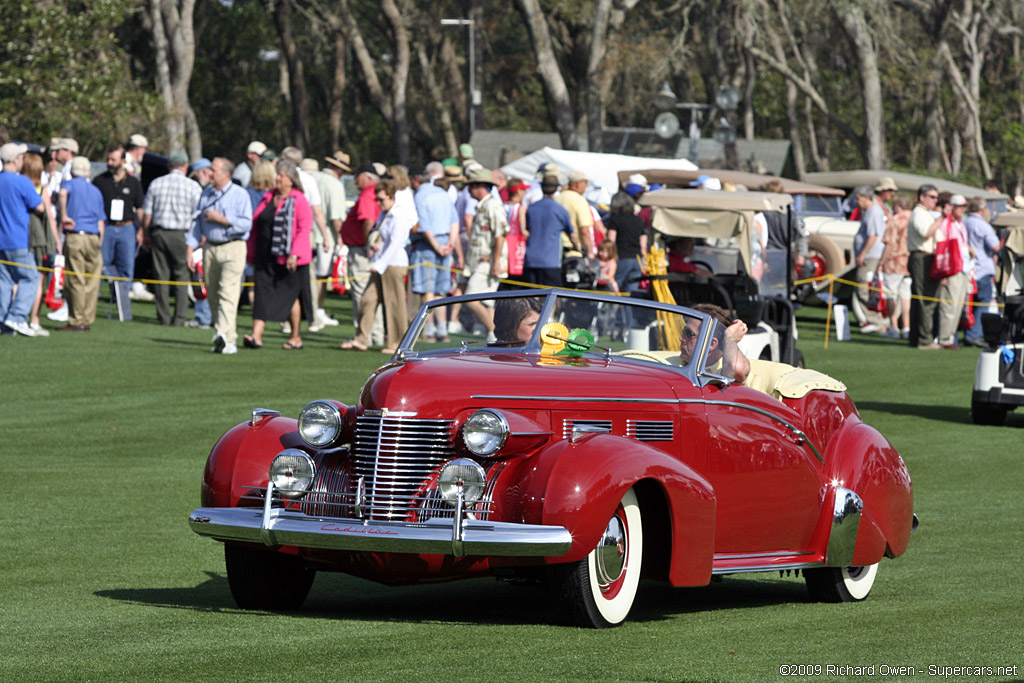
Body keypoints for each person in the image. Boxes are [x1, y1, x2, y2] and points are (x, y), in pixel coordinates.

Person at [185, 158, 252, 355]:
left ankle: (224, 336)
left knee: (228, 293)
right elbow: (196, 224)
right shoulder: (205, 194)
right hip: (210, 248)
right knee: (212, 294)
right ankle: (224, 335)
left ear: (226, 173)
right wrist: (190, 249)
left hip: (233, 247)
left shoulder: (240, 195)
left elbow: (246, 224)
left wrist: (221, 220)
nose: (209, 174)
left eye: (213, 170)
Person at [245, 161, 313, 350]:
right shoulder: (268, 197)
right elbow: (255, 226)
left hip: (288, 258)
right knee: (261, 294)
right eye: (278, 175)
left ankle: (295, 337)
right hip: (264, 255)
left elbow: (303, 228)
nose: (278, 178)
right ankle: (256, 336)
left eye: (282, 175)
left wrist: (294, 254)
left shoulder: (299, 199)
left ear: (291, 180)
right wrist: (249, 253)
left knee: (290, 296)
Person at [340, 179, 413, 352]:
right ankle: (361, 339)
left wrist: (379, 263)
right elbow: (385, 239)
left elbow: (396, 243)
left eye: (382, 200)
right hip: (382, 263)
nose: (379, 203)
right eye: (377, 200)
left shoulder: (399, 215)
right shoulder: (385, 214)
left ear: (390, 197)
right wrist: (376, 247)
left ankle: (397, 344)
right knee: (368, 300)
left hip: (393, 264)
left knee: (395, 305)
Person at [142, 150, 202, 326]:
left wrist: (145, 234)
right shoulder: (193, 186)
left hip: (160, 232)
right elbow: (197, 214)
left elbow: (147, 213)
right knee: (181, 275)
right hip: (182, 234)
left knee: (161, 275)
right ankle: (180, 317)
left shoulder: (156, 183)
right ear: (185, 167)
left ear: (169, 166)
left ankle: (164, 316)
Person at [93, 145, 144, 321]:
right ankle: (92, 302)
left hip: (127, 228)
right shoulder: (100, 181)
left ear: (123, 161)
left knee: (126, 267)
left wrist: (142, 230)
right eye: (108, 159)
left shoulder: (133, 182)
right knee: (100, 264)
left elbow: (139, 208)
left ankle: (122, 305)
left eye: (113, 159)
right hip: (106, 227)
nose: (109, 163)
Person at [0, 143, 45, 337]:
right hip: (17, 240)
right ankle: (17, 317)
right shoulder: (22, 182)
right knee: (31, 277)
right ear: (16, 160)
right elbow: (40, 207)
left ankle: (3, 321)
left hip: (1, 241)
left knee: (4, 281)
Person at [58, 156, 106, 332]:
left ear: (72, 172)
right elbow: (101, 221)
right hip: (93, 236)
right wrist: (99, 241)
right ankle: (87, 319)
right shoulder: (95, 190)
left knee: (76, 279)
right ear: (89, 172)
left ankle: (77, 320)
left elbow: (62, 193)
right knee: (92, 281)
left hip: (76, 235)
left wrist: (63, 216)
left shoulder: (69, 185)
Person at [410, 164, 457, 341]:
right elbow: (454, 221)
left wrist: (438, 246)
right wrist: (450, 243)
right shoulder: (442, 193)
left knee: (428, 290)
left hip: (430, 244)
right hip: (445, 240)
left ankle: (429, 330)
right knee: (441, 290)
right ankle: (442, 330)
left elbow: (424, 225)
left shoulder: (420, 196)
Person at [461, 167, 509, 339]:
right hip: (480, 261)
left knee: (470, 298)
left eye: (471, 185)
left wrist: (496, 261)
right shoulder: (482, 206)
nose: (468, 190)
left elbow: (500, 235)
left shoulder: (492, 205)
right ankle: (497, 335)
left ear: (480, 186)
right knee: (488, 303)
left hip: (488, 262)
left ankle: (494, 332)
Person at [339, 161, 383, 342]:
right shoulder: (376, 192)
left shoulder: (367, 194)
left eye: (358, 177)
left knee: (361, 293)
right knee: (372, 294)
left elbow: (368, 221)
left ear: (367, 177)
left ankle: (363, 335)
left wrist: (367, 245)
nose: (355, 181)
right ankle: (375, 334)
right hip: (368, 249)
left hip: (361, 250)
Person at [20, 152, 60, 335]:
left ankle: (16, 317)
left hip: (19, 239)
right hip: (36, 241)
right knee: (37, 279)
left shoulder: (16, 186)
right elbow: (49, 217)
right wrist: (57, 242)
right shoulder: (39, 189)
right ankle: (32, 319)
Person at [907, 184, 944, 348]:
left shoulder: (925, 213)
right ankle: (924, 340)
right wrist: (941, 219)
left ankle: (916, 338)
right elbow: (926, 233)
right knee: (925, 300)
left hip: (926, 257)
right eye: (932, 197)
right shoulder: (919, 213)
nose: (935, 201)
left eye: (937, 197)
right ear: (922, 197)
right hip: (921, 258)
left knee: (920, 300)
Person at [523, 174, 576, 287]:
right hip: (550, 262)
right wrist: (578, 247)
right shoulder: (560, 210)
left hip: (530, 260)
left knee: (531, 297)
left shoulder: (531, 208)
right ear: (556, 188)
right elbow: (572, 235)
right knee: (553, 296)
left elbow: (526, 230)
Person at [935, 194, 973, 349]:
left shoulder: (960, 223)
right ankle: (945, 339)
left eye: (964, 206)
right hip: (951, 269)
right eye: (960, 206)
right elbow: (942, 246)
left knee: (957, 306)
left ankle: (950, 337)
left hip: (963, 267)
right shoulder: (946, 223)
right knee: (949, 306)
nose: (963, 209)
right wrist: (943, 273)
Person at [677, 303, 749, 384]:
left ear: (711, 344)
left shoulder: (721, 375)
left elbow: (736, 368)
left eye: (689, 333)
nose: (681, 338)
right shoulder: (667, 363)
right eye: (684, 331)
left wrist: (730, 337)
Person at [963, 196, 1000, 347]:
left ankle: (968, 332)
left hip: (967, 269)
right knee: (982, 302)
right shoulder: (983, 225)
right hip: (982, 268)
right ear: (982, 209)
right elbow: (996, 246)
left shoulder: (963, 222)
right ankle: (974, 334)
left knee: (967, 303)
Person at [852, 185, 889, 334]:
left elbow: (873, 236)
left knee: (864, 288)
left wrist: (862, 254)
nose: (856, 201)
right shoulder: (868, 212)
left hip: (871, 256)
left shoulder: (873, 212)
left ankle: (875, 321)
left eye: (858, 198)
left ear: (866, 197)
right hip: (870, 255)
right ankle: (874, 320)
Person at [878, 194, 913, 339]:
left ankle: (894, 326)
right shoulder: (913, 218)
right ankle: (906, 327)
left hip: (894, 262)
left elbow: (890, 243)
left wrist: (881, 262)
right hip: (909, 262)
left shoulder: (895, 220)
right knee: (906, 297)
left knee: (891, 296)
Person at [606, 191, 647, 295]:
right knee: (631, 295)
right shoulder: (638, 220)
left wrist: (609, 260)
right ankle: (628, 312)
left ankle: (612, 311)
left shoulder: (615, 219)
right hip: (637, 260)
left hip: (621, 258)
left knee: (613, 290)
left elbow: (611, 241)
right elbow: (643, 244)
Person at [555, 170, 596, 258]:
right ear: (578, 184)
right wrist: (590, 252)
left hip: (556, 250)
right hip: (573, 252)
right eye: (585, 182)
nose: (586, 186)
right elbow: (584, 230)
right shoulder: (579, 200)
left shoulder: (557, 198)